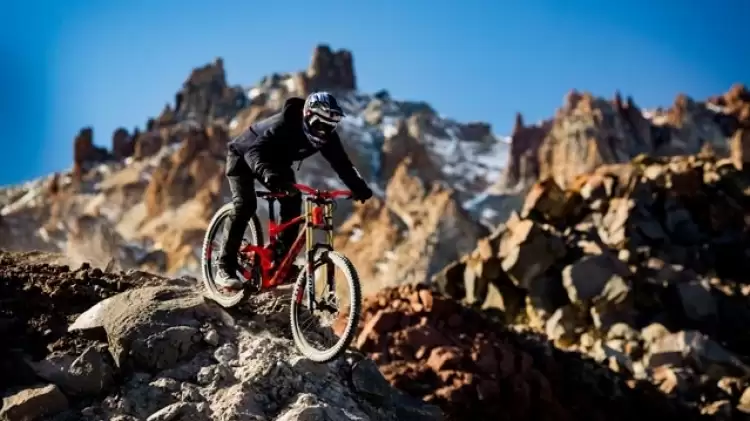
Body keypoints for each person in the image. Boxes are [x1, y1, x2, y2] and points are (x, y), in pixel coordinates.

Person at [216, 91, 373, 290]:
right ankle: (224, 267)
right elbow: (254, 152)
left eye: (329, 126)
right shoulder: (285, 123)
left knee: (293, 199)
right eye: (319, 124)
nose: (323, 131)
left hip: (277, 163)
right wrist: (268, 174)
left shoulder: (327, 137)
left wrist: (359, 188)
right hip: (243, 156)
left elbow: (342, 164)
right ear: (307, 115)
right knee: (245, 205)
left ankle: (279, 261)